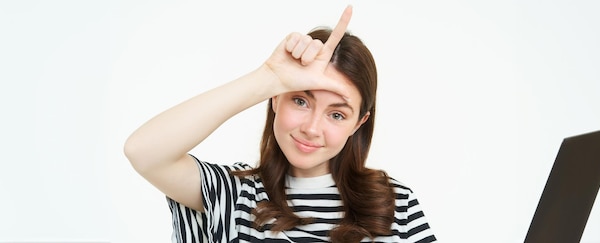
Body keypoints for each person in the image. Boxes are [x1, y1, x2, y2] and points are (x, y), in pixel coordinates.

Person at [124, 5, 437, 242]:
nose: (312, 128)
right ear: (276, 99)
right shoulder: (232, 194)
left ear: (359, 123)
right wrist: (268, 78)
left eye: (337, 114)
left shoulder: (395, 205)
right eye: (301, 101)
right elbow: (143, 151)